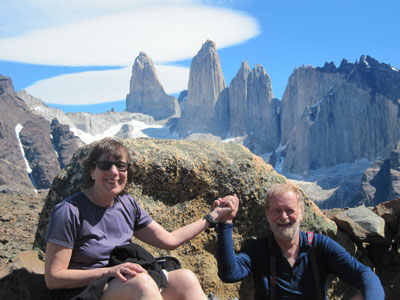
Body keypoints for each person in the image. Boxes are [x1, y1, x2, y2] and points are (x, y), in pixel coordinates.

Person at [44, 137, 234, 300]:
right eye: (105, 165)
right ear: (92, 171)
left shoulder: (127, 205)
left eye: (121, 166)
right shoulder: (69, 211)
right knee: (142, 283)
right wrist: (109, 272)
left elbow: (170, 240)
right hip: (85, 291)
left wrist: (214, 216)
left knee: (185, 279)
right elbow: (53, 278)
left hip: (119, 283)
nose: (114, 172)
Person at [214, 184, 385, 300]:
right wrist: (225, 223)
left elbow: (365, 276)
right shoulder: (258, 249)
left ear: (301, 213)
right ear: (267, 215)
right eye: (276, 211)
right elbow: (230, 274)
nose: (283, 217)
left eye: (290, 210)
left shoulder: (319, 246)